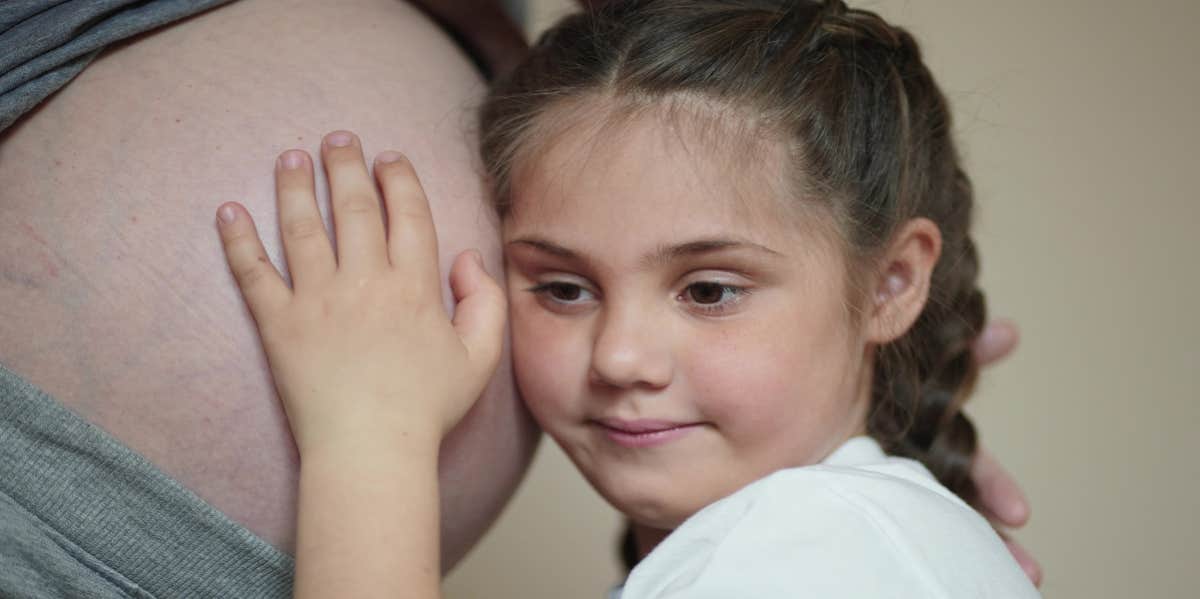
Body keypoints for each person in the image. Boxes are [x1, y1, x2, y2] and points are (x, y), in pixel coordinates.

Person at [0, 0, 1034, 596]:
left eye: (710, 287)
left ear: (892, 282)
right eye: (562, 285)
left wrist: (371, 437)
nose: (621, 353)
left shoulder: (827, 554)